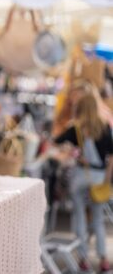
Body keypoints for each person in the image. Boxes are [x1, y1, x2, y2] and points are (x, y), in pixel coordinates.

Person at [54, 94, 113, 273]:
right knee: (97, 219)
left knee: (79, 216)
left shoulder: (76, 129)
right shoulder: (104, 127)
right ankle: (103, 259)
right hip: (99, 177)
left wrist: (74, 151)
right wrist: (107, 180)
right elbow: (111, 157)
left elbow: (56, 141)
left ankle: (83, 258)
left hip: (80, 177)